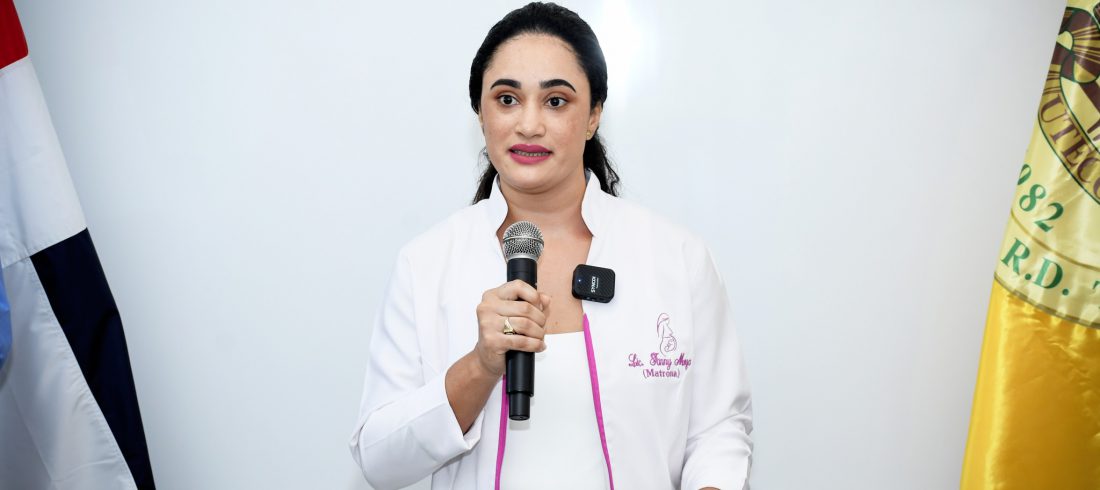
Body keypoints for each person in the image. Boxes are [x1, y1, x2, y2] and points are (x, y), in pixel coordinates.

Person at [349, 3, 752, 489]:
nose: (529, 124)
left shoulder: (676, 257)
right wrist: (480, 365)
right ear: (480, 114)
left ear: (594, 115)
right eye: (507, 99)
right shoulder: (427, 264)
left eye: (556, 101)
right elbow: (381, 461)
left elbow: (717, 429)